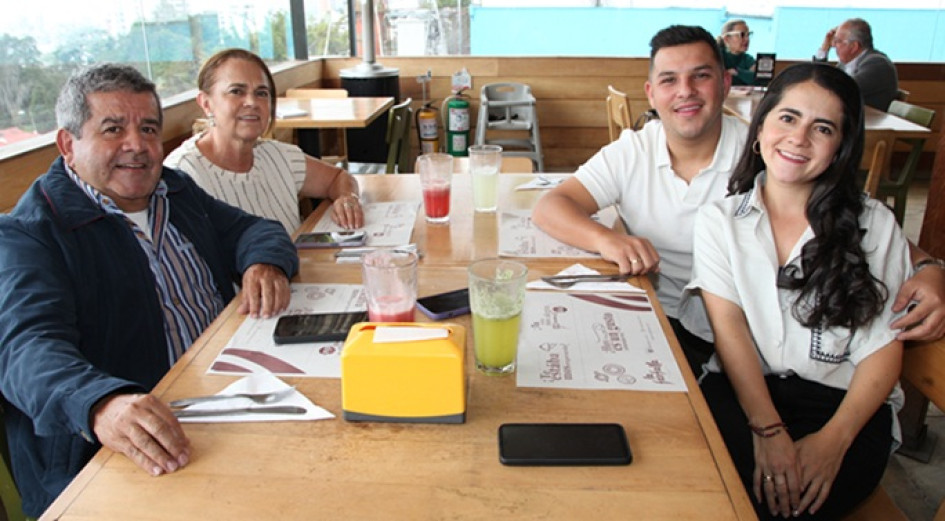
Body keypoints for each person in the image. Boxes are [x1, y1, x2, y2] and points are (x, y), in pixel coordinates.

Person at [532, 24, 945, 375]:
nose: (685, 92)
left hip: (753, 336)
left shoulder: (768, 150)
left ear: (726, 82)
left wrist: (926, 266)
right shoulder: (634, 150)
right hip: (658, 316)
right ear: (651, 94)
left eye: (701, 76)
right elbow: (552, 205)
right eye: (669, 80)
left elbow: (849, 218)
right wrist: (606, 239)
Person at [0, 63, 299, 517]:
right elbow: (26, 350)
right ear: (68, 144)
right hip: (124, 455)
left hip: (227, 399)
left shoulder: (172, 190)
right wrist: (100, 403)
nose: (136, 146)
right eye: (113, 129)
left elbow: (253, 229)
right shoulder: (29, 235)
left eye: (148, 128)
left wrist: (263, 261)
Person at [685, 63, 908, 519]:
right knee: (701, 492)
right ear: (761, 124)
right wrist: (768, 431)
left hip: (846, 410)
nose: (799, 137)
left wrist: (833, 441)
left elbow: (883, 347)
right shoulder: (719, 222)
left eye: (821, 127)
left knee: (785, 506)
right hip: (746, 394)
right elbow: (730, 334)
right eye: (788, 117)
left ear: (841, 147)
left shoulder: (874, 225)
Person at [164, 48, 364, 234]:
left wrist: (348, 198)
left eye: (261, 93)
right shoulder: (181, 176)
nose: (251, 102)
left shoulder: (278, 155)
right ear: (206, 103)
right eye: (236, 91)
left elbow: (338, 178)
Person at [814, 18, 899, 111]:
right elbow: (820, 81)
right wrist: (824, 49)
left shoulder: (877, 64)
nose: (833, 45)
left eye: (838, 41)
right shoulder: (845, 63)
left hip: (870, 122)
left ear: (854, 46)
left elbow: (843, 89)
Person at [718, 19, 756, 86]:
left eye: (748, 35)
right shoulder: (717, 56)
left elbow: (757, 78)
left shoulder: (747, 58)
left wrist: (736, 71)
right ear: (727, 39)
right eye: (742, 35)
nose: (747, 39)